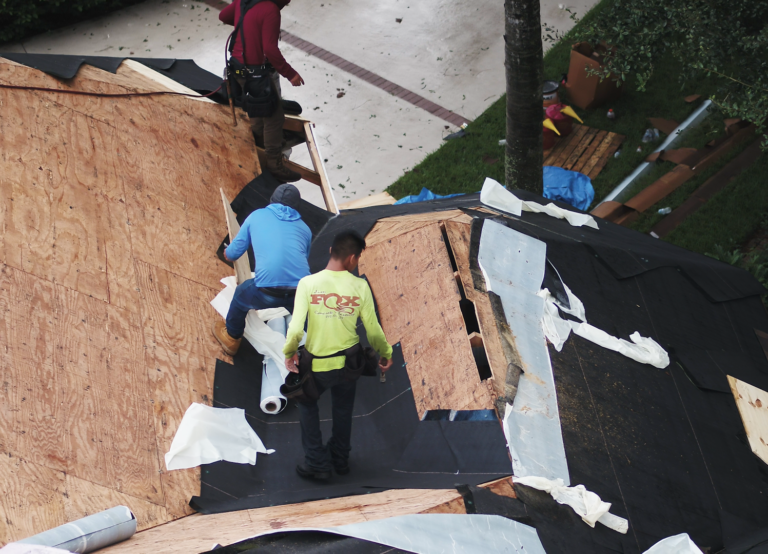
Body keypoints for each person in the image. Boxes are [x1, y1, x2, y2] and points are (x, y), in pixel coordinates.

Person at [283, 231, 393, 481]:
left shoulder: (308, 284)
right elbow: (373, 329)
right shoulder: (360, 286)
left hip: (317, 364)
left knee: (308, 404)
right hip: (349, 364)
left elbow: (296, 328)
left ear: (331, 250)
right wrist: (385, 354)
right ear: (353, 258)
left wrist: (290, 354)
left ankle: (317, 463)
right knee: (343, 409)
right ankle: (340, 459)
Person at [213, 184, 310, 356]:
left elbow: (234, 253)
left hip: (267, 291)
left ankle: (232, 337)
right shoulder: (305, 230)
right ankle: (311, 350)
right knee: (305, 318)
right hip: (300, 291)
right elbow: (301, 259)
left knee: (241, 296)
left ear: (272, 200)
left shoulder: (257, 215)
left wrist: (227, 253)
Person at [220, 0, 304, 183]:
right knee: (274, 118)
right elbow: (270, 49)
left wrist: (246, 25)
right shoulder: (270, 10)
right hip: (255, 72)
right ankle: (274, 164)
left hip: (238, 68)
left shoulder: (244, 1)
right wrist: (291, 74)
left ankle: (258, 149)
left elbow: (223, 16)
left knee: (256, 111)